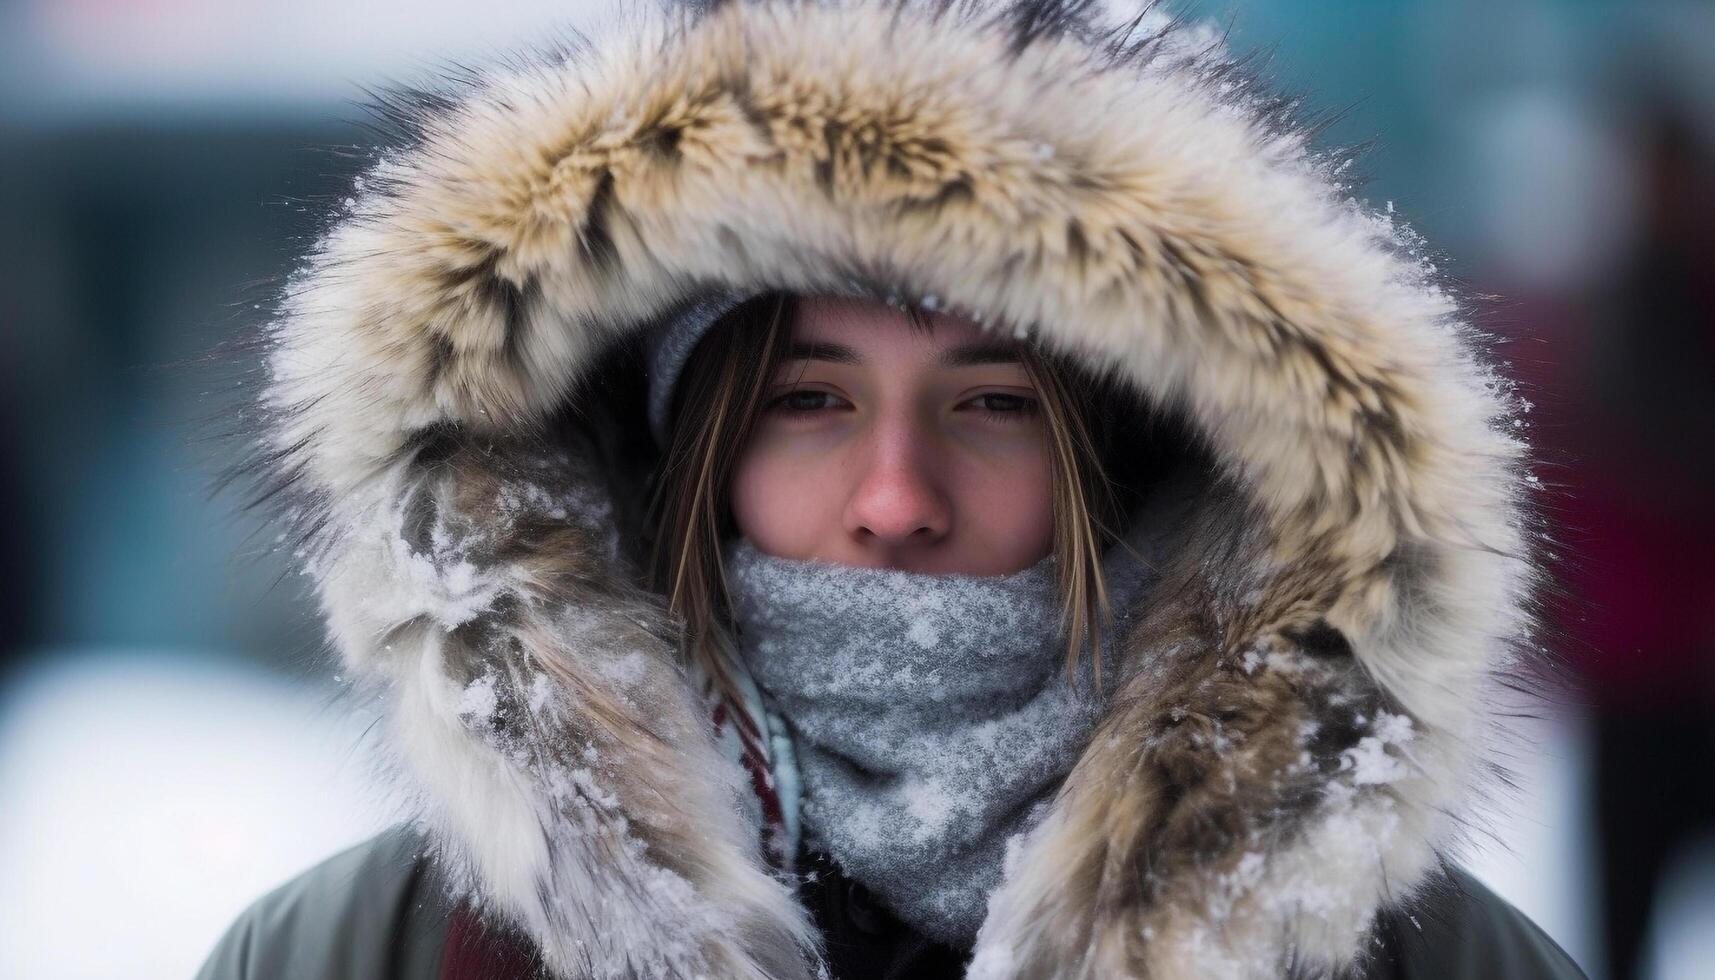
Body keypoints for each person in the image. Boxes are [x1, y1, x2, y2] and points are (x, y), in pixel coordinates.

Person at [195, 0, 1586, 976]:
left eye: (991, 406)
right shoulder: (356, 956)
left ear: (1120, 466)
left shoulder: (1426, 963)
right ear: (687, 462)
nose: (895, 498)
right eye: (807, 402)